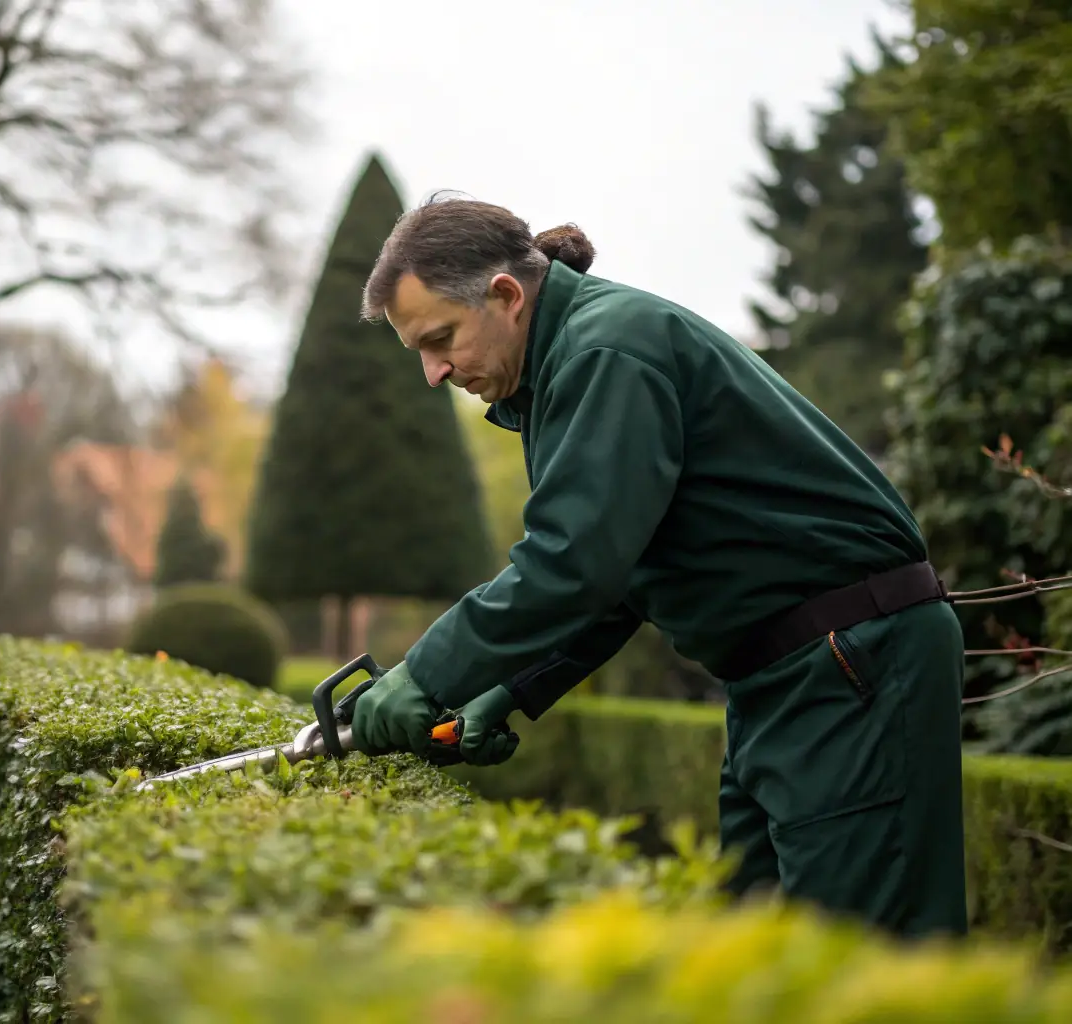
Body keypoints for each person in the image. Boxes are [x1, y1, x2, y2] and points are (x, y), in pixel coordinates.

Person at [347, 194, 968, 940]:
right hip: (784, 674)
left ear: (506, 296)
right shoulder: (564, 369)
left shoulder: (607, 348)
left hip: (847, 664)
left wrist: (423, 675)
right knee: (763, 959)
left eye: (439, 338)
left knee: (867, 968)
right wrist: (509, 686)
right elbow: (620, 574)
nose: (432, 372)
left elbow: (573, 560)